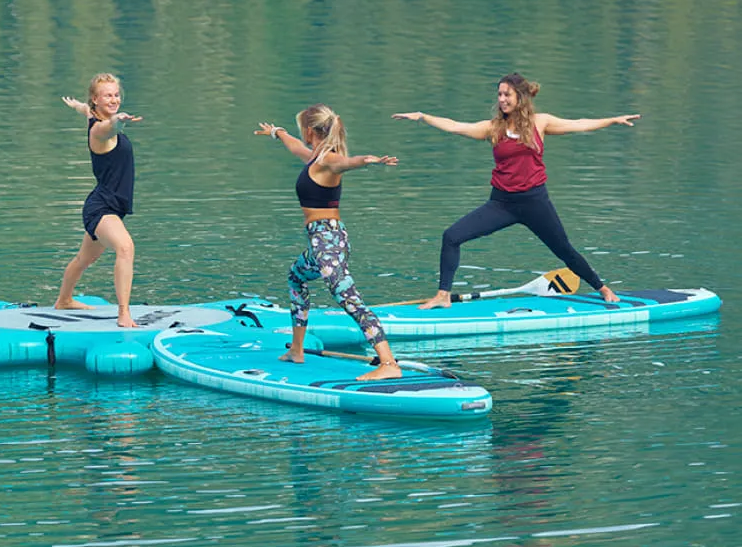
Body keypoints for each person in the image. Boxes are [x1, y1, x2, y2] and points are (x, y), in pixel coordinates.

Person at [392, 72, 640, 309]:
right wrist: (423, 116)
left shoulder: (539, 122)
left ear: (520, 97)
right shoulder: (493, 128)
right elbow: (456, 126)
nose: (502, 100)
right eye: (499, 95)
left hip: (535, 203)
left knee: (565, 250)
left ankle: (602, 288)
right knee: (451, 237)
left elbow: (579, 124)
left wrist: (612, 120)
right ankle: (443, 295)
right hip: (501, 204)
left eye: (507, 95)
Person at [256, 104, 401, 380]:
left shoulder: (327, 159)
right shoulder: (314, 157)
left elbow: (346, 163)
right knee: (296, 277)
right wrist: (276, 132)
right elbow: (294, 147)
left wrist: (369, 161)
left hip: (329, 242)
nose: (301, 134)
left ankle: (389, 363)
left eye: (302, 129)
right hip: (321, 243)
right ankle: (296, 350)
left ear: (310, 130)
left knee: (349, 300)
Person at [55, 73, 143, 328]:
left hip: (109, 206)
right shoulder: (99, 129)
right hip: (102, 208)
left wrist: (78, 106)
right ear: (96, 98)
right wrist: (118, 121)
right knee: (125, 248)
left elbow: (88, 111)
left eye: (116, 94)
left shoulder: (93, 115)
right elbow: (109, 127)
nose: (114, 99)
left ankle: (64, 300)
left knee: (84, 259)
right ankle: (124, 313)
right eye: (108, 95)